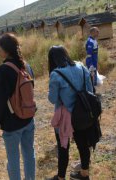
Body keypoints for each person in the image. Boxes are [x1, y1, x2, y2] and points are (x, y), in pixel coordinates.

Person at [48, 46, 100, 180]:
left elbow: (52, 99)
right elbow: (89, 90)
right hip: (83, 113)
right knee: (83, 145)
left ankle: (60, 178)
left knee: (63, 148)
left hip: (66, 117)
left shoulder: (56, 74)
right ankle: (84, 174)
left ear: (52, 60)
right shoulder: (81, 66)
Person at [0, 33, 36, 180]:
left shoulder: (3, 70)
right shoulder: (26, 65)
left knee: (13, 159)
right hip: (29, 119)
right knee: (29, 153)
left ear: (6, 50)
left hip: (12, 124)